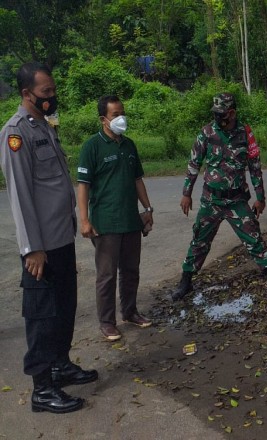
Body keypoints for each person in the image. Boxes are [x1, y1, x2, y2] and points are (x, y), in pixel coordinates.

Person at [0, 62, 98, 414]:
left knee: (64, 307)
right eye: (46, 93)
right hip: (40, 247)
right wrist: (32, 248)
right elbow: (21, 196)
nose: (52, 97)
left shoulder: (44, 125)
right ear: (27, 94)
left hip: (60, 239)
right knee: (41, 316)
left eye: (53, 90)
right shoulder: (15, 133)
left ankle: (60, 365)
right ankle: (42, 388)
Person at [173, 92, 267, 300]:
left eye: (221, 114)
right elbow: (194, 165)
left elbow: (255, 167)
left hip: (236, 201)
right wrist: (186, 194)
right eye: (215, 113)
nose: (217, 118)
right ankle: (186, 281)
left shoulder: (245, 133)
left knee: (253, 238)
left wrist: (260, 197)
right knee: (199, 240)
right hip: (211, 200)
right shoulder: (207, 133)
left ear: (232, 113)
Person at [77, 95, 153, 341]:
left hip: (131, 220)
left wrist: (148, 209)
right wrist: (85, 220)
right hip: (106, 223)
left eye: (122, 113)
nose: (121, 119)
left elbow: (137, 179)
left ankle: (130, 312)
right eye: (115, 115)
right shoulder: (92, 147)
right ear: (103, 119)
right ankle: (107, 322)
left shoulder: (129, 145)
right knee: (107, 275)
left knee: (131, 270)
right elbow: (83, 186)